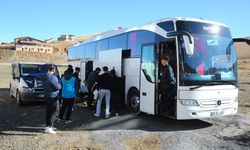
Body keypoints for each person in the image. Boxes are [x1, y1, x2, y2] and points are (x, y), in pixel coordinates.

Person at [43, 66, 61, 134]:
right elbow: (57, 87)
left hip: (47, 95)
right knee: (55, 111)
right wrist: (60, 85)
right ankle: (49, 127)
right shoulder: (53, 77)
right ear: (53, 70)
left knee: (48, 112)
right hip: (53, 96)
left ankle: (48, 126)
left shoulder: (44, 76)